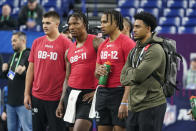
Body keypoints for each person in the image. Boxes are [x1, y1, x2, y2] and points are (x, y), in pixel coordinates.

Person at [56, 11, 104, 131]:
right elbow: (67, 78)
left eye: (76, 23)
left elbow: (109, 67)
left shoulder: (97, 42)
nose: (71, 27)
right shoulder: (69, 51)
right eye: (70, 24)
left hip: (88, 95)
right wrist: (61, 101)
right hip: (71, 95)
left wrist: (97, 91)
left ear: (85, 25)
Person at [24, 11, 72, 131]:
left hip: (56, 99)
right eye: (43, 23)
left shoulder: (67, 44)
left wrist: (64, 99)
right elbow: (31, 70)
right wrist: (26, 93)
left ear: (57, 24)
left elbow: (69, 74)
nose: (44, 26)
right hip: (37, 97)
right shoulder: (37, 42)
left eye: (48, 23)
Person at [120, 11, 167, 131]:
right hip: (134, 106)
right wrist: (132, 73)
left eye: (137, 26)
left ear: (148, 29)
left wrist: (131, 72)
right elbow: (122, 78)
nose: (133, 30)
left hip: (151, 105)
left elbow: (137, 77)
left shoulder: (155, 49)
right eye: (134, 26)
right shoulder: (135, 49)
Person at [95, 10, 135, 131]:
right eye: (101, 22)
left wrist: (125, 101)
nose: (102, 25)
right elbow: (96, 73)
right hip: (102, 92)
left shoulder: (128, 43)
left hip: (119, 92)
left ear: (116, 23)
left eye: (105, 22)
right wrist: (98, 72)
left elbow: (132, 75)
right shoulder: (102, 44)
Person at [1, 32, 32, 131]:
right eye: (11, 41)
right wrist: (5, 71)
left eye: (15, 40)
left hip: (24, 103)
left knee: (27, 129)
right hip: (11, 104)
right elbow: (11, 77)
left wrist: (24, 72)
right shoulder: (13, 56)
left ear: (23, 41)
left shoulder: (30, 55)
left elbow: (34, 77)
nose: (12, 43)